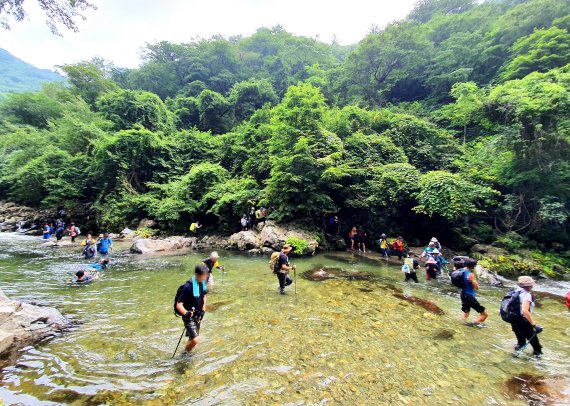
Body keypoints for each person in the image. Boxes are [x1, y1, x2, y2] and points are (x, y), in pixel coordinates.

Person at [175, 264, 208, 354]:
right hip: (188, 316)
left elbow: (204, 296)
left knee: (192, 338)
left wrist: (203, 309)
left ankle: (188, 350)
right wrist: (186, 313)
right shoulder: (187, 287)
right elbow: (179, 305)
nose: (206, 277)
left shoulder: (203, 283)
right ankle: (184, 354)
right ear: (198, 275)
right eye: (204, 275)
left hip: (198, 315)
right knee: (196, 340)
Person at [510, 276, 543, 357]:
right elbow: (525, 311)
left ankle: (515, 357)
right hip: (523, 322)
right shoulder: (527, 295)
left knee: (521, 343)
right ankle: (537, 363)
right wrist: (534, 325)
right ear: (530, 286)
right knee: (537, 348)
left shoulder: (516, 291)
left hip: (514, 320)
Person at [460, 259, 488, 327]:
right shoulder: (470, 274)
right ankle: (475, 324)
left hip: (463, 294)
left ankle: (461, 324)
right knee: (484, 314)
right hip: (469, 296)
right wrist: (473, 280)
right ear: (473, 266)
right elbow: (476, 288)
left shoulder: (461, 271)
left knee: (466, 312)